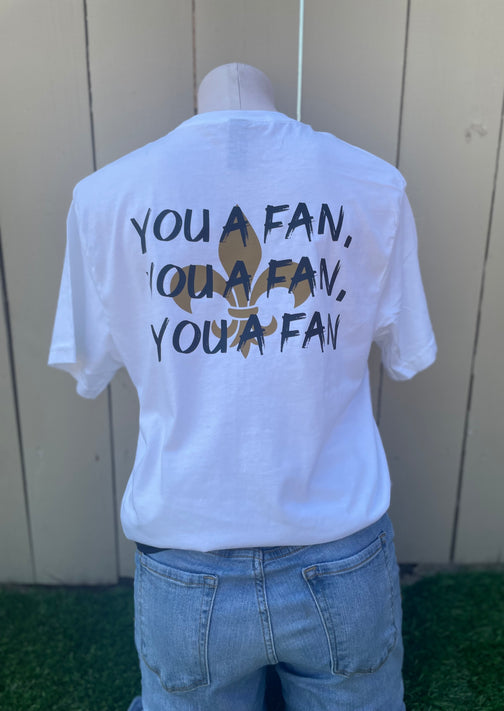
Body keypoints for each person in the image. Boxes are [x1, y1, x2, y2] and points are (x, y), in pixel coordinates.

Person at [49, 63, 436, 711]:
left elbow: (88, 365)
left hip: (185, 560)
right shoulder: (371, 184)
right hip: (338, 553)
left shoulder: (106, 197)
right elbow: (405, 351)